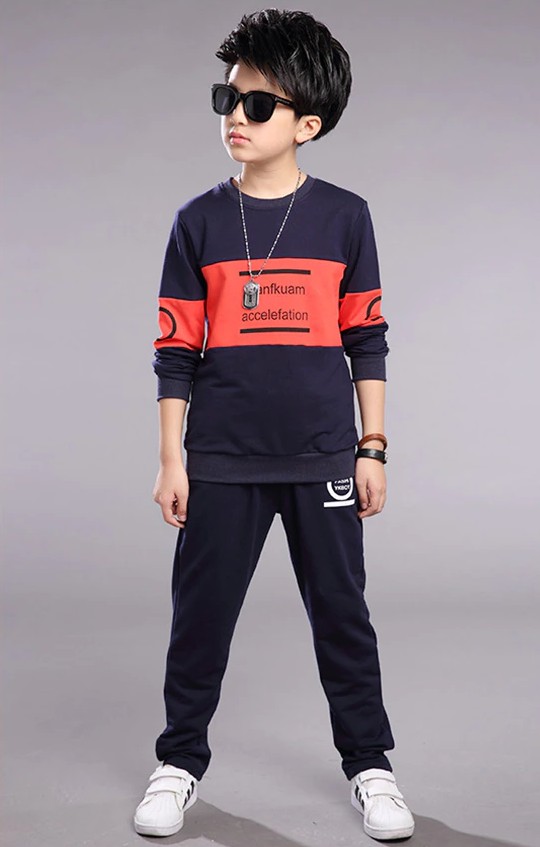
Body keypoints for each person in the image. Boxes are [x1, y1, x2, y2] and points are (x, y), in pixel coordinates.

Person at [133, 8, 415, 842]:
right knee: (200, 617)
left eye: (258, 104)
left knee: (342, 614)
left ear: (307, 124)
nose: (236, 117)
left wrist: (372, 446)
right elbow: (175, 350)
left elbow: (367, 338)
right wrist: (171, 459)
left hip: (323, 454)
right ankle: (178, 761)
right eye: (227, 98)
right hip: (221, 457)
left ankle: (370, 765)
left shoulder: (345, 217)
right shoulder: (198, 221)